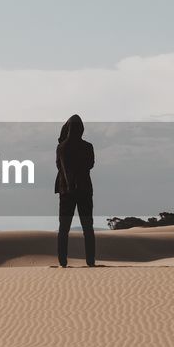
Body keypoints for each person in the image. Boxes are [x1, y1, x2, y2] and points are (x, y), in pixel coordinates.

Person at [55, 114, 95, 267]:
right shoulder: (88, 146)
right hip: (84, 189)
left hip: (66, 191)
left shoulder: (61, 147)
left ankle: (62, 261)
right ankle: (90, 261)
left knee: (64, 228)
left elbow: (58, 165)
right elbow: (91, 164)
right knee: (88, 227)